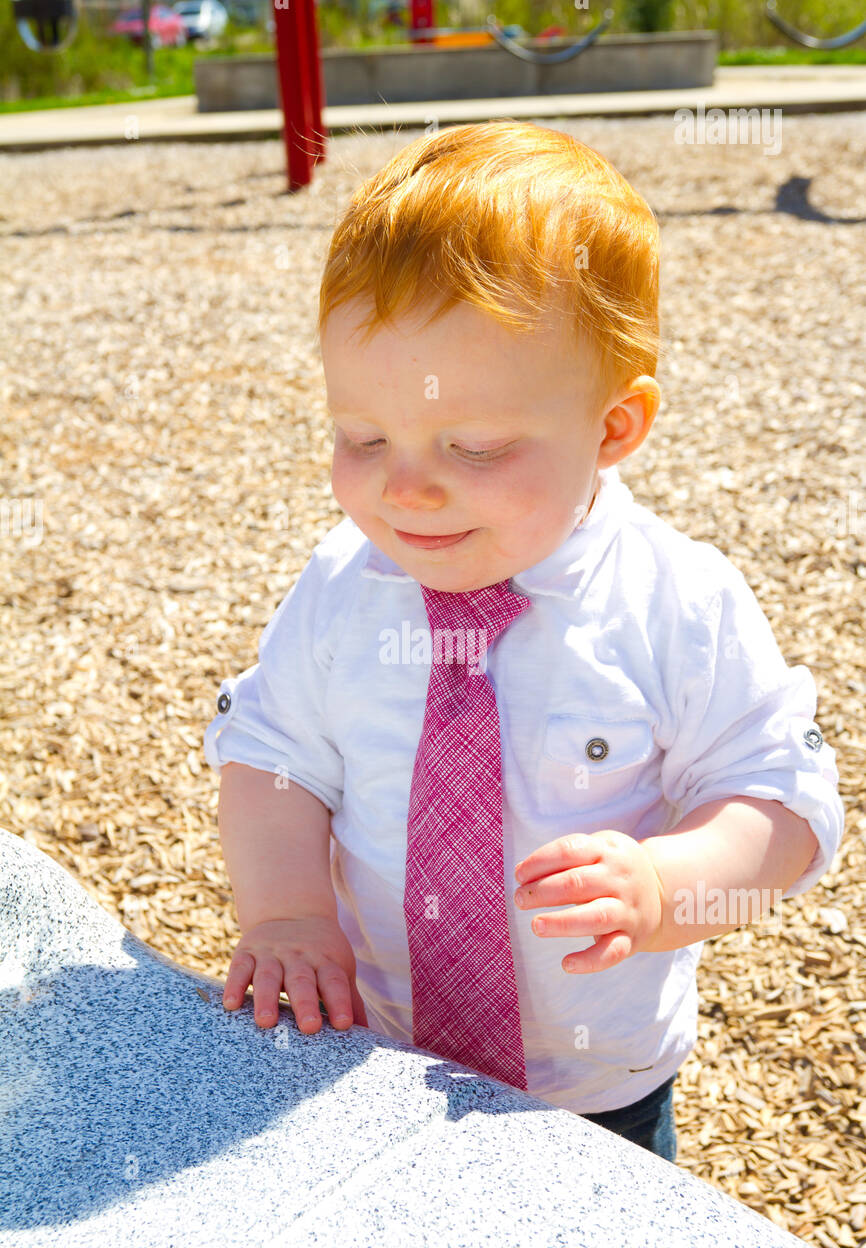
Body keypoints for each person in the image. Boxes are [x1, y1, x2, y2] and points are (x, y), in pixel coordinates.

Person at [203, 121, 844, 1163]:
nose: (405, 484)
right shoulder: (345, 585)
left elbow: (780, 796)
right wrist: (283, 913)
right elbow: (274, 755)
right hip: (374, 1051)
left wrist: (666, 882)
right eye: (360, 437)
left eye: (476, 445)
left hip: (594, 1082)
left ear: (614, 425)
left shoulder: (674, 602)